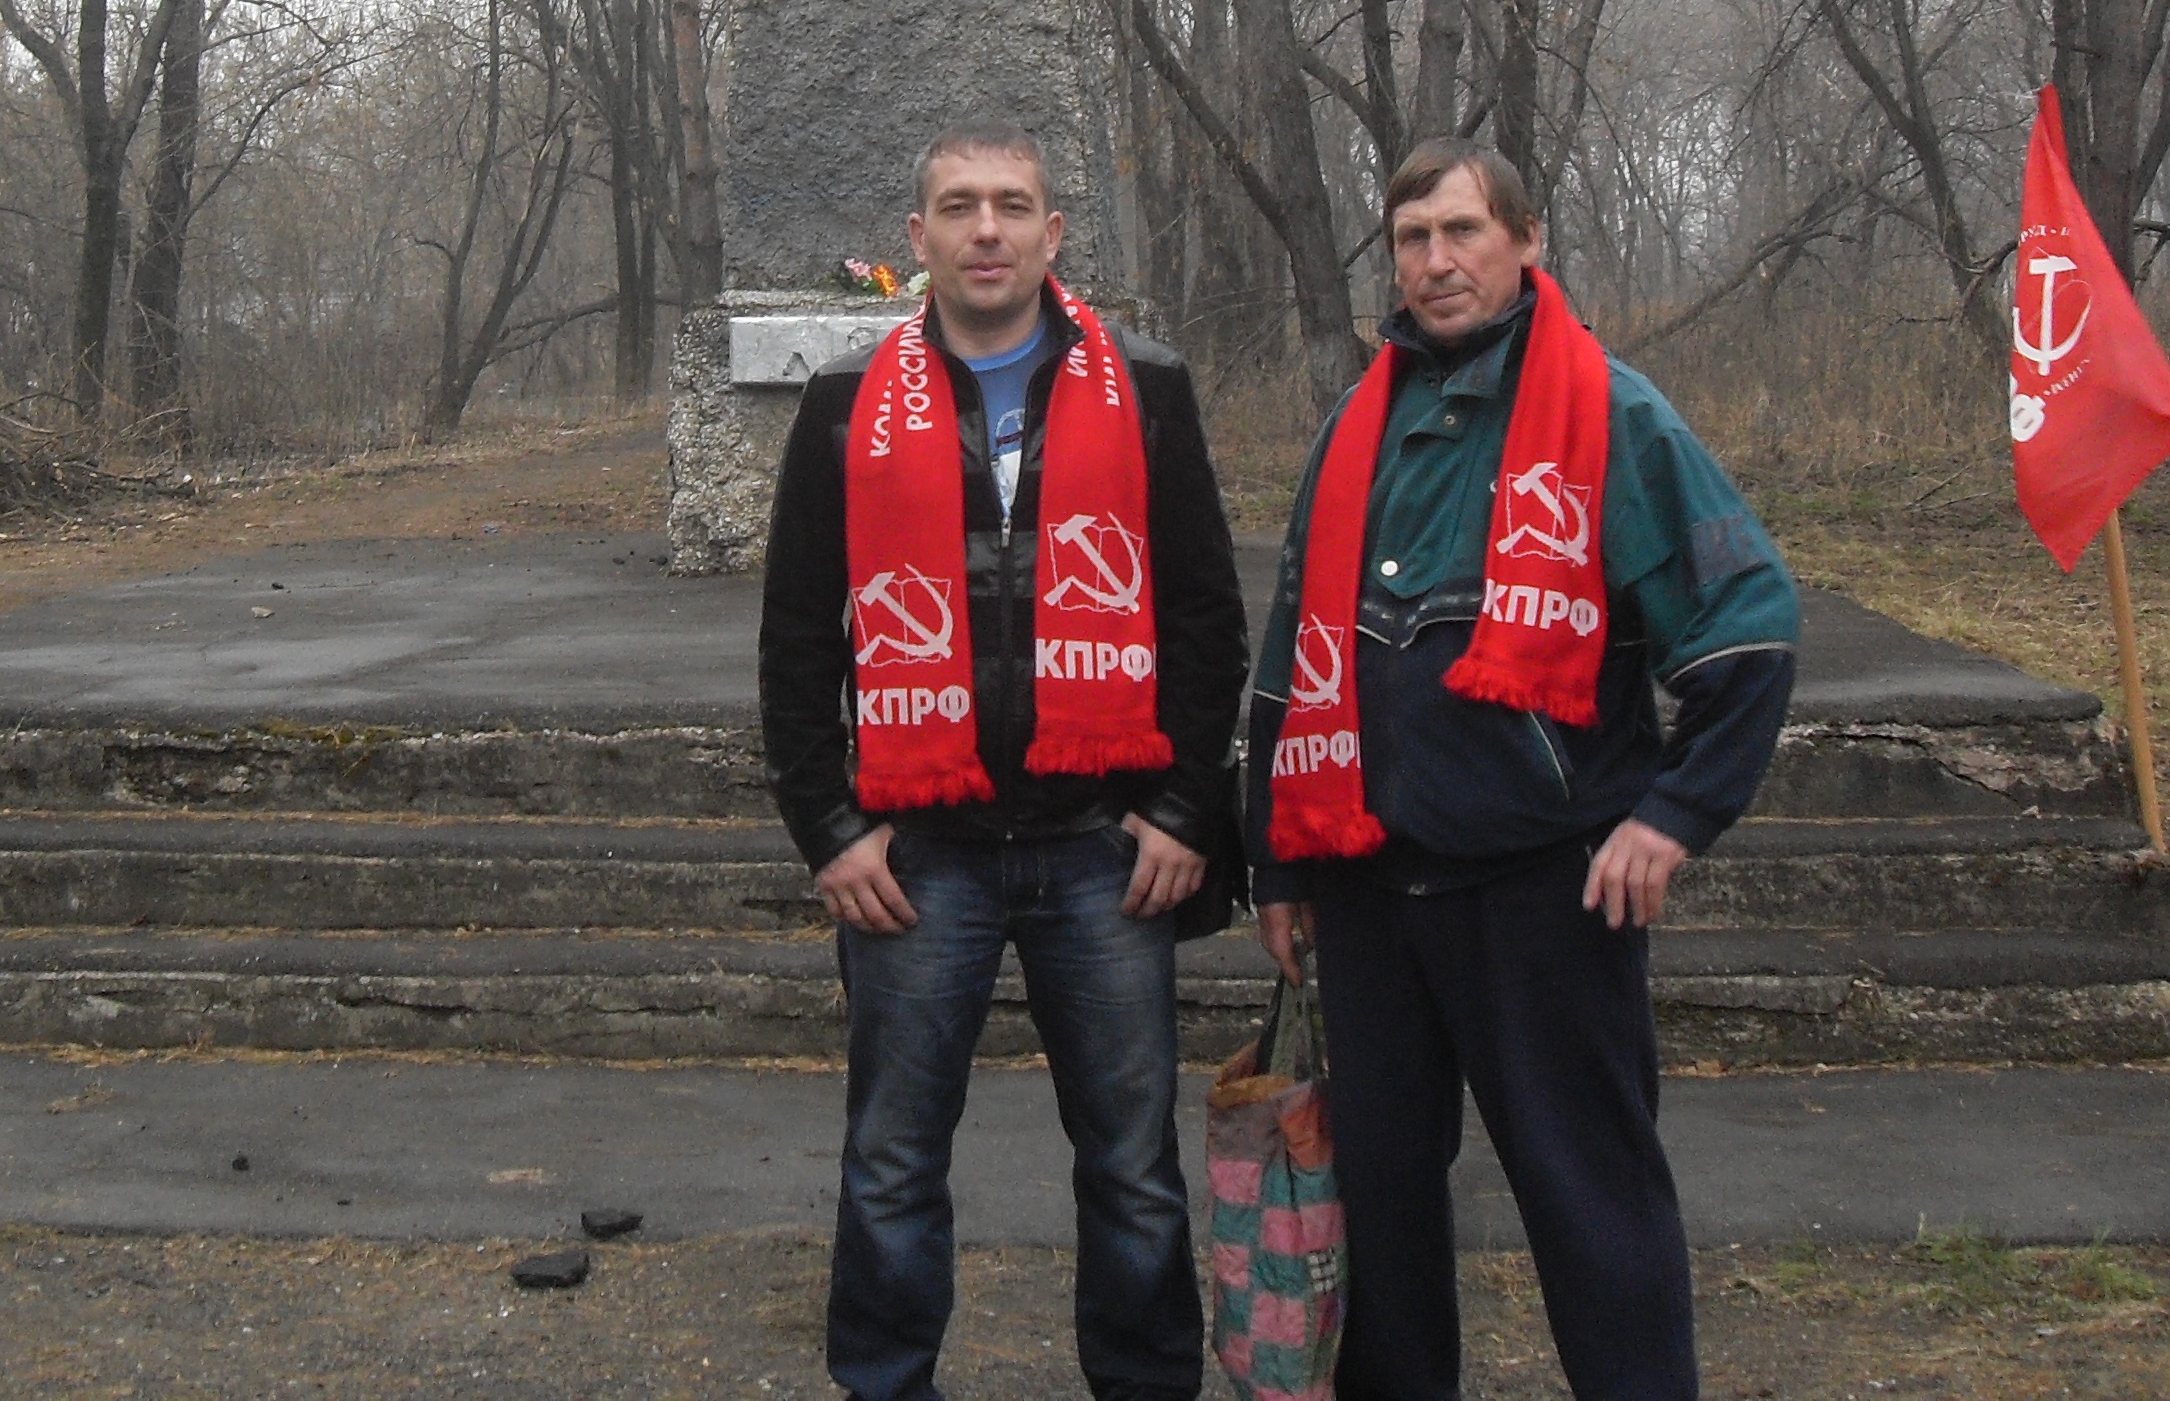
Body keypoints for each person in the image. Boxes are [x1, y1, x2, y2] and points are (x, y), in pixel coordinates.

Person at [1245, 139, 1801, 1401]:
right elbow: (1293, 658)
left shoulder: (1612, 413)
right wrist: (1278, 860)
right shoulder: (1353, 427)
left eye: (1464, 232)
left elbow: (1750, 622)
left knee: (1590, 1198)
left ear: (1525, 240)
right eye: (1413, 239)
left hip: (1546, 890)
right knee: (1379, 1209)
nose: (1437, 262)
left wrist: (1674, 814)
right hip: (1368, 890)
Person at [761, 121, 1247, 1401]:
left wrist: (1187, 809)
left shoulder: (1146, 389)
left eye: (1013, 205)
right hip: (919, 857)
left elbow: (1206, 620)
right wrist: (830, 829)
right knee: (891, 1164)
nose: (988, 230)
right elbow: (799, 639)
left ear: (1052, 233)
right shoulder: (844, 406)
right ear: (916, 238)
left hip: (1105, 850)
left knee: (1133, 1169)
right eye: (961, 206)